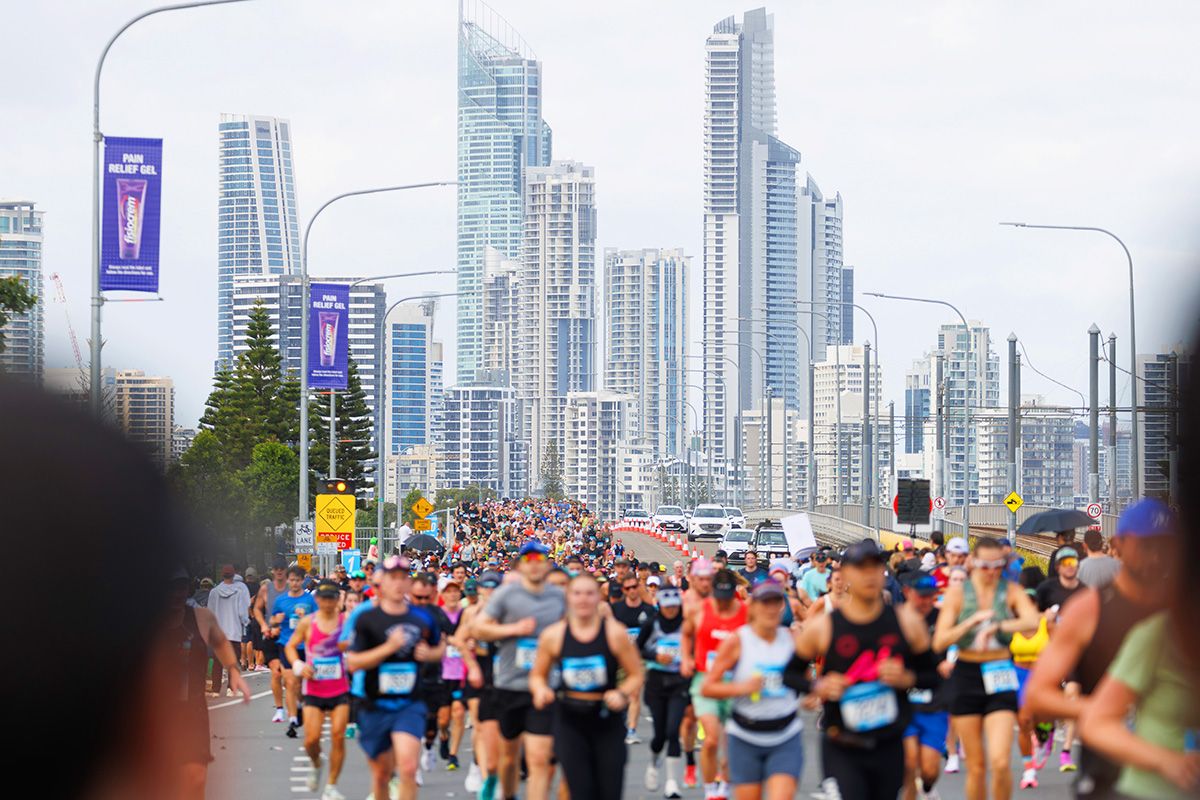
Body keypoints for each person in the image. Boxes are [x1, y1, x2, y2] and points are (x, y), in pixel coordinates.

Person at [1026, 497, 1179, 798]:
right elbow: (1037, 695)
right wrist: (1103, 711)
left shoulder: (1179, 609)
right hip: (1106, 767)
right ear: (1118, 544)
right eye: (1146, 545)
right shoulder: (1089, 609)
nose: (1156, 557)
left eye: (1165, 546)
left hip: (1175, 773)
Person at [793, 540, 932, 799]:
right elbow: (789, 673)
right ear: (845, 576)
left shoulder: (906, 622)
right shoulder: (825, 627)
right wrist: (816, 686)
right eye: (860, 568)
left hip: (889, 743)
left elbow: (933, 677)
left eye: (874, 568)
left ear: (884, 573)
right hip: (843, 742)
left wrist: (907, 678)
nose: (869, 575)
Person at [934, 536, 1040, 800]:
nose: (992, 572)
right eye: (985, 566)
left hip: (999, 672)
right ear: (972, 563)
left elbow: (1032, 621)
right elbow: (940, 640)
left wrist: (999, 625)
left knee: (1000, 762)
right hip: (966, 675)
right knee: (977, 767)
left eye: (998, 566)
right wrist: (971, 623)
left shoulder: (1010, 591)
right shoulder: (958, 593)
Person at [530, 573, 645, 800]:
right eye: (577, 594)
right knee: (581, 790)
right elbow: (537, 676)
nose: (583, 599)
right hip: (570, 720)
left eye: (589, 593)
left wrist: (621, 693)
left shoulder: (614, 633)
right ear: (568, 598)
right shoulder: (554, 636)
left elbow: (636, 674)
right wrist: (541, 690)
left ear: (598, 598)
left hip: (606, 719)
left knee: (609, 791)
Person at [473, 540, 567, 800]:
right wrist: (512, 630)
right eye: (528, 560)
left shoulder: (559, 597)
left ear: (547, 564)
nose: (534, 565)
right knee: (509, 758)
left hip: (545, 688)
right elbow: (479, 629)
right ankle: (508, 794)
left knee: (539, 759)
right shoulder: (506, 595)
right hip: (509, 686)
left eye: (540, 559)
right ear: (521, 565)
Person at [346, 555, 445, 800]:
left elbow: (440, 649)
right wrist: (388, 648)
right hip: (375, 704)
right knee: (381, 775)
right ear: (382, 583)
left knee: (408, 768)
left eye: (404, 578)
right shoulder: (367, 619)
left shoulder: (421, 618)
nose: (399, 584)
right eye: (393, 578)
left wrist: (430, 653)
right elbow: (354, 662)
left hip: (410, 703)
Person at [701, 580, 805, 800]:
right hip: (745, 736)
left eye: (776, 602)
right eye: (764, 603)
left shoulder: (793, 640)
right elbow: (708, 686)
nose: (770, 609)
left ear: (782, 606)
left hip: (785, 735)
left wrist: (812, 695)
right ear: (754, 607)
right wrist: (741, 687)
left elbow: (804, 680)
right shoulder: (738, 641)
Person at [681, 569, 747, 800]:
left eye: (726, 597)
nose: (722, 602)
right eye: (718, 596)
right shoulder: (700, 610)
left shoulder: (746, 613)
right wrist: (687, 657)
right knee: (710, 740)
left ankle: (725, 788)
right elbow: (686, 633)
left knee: (730, 745)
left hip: (735, 684)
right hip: (705, 681)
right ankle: (710, 791)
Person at [287, 579, 351, 800]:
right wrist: (298, 665)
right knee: (311, 740)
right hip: (314, 689)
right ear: (317, 599)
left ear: (337, 599)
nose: (327, 602)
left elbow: (358, 644)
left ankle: (331, 786)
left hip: (340, 688)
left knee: (338, 735)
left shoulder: (345, 622)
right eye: (323, 598)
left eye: (331, 597)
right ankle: (317, 763)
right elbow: (290, 646)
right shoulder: (307, 623)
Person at [900, 572, 952, 800]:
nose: (926, 601)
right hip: (903, 702)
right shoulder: (896, 620)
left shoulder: (942, 618)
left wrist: (949, 661)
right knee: (909, 763)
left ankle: (928, 789)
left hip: (935, 700)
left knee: (929, 770)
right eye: (921, 596)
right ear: (907, 593)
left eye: (930, 596)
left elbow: (956, 645)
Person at [1010, 566, 1054, 789]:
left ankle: (1046, 729)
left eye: (1031, 603)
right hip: (1018, 675)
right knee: (1023, 720)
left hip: (1041, 676)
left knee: (1039, 717)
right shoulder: (1012, 626)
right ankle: (1028, 771)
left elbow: (1060, 648)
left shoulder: (1047, 623)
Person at [273, 565, 319, 737]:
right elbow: (273, 620)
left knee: (300, 684)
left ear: (302, 581)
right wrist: (275, 622)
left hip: (305, 647)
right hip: (286, 645)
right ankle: (292, 720)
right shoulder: (280, 600)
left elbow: (318, 621)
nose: (294, 583)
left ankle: (300, 707)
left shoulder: (310, 600)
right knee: (290, 682)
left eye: (297, 580)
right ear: (287, 581)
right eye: (291, 580)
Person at [613, 570, 655, 745]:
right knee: (620, 693)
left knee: (635, 694)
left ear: (639, 588)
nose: (631, 590)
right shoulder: (616, 609)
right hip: (619, 658)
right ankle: (619, 723)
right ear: (623, 590)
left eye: (634, 587)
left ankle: (631, 730)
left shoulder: (649, 610)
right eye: (628, 588)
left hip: (639, 658)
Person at [254, 558, 291, 722]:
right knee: (276, 673)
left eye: (282, 568)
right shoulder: (265, 589)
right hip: (271, 636)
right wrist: (263, 625)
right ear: (272, 570)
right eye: (276, 568)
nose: (279, 571)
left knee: (290, 678)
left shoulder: (292, 588)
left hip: (289, 636)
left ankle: (294, 709)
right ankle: (279, 709)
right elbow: (256, 608)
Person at [207, 563, 251, 697]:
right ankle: (231, 688)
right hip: (234, 630)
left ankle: (215, 689)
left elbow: (210, 612)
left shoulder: (214, 592)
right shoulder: (238, 591)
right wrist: (245, 622)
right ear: (234, 575)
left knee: (217, 663)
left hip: (219, 632)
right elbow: (242, 611)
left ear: (222, 575)